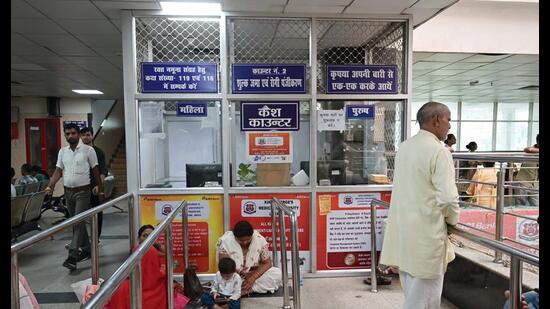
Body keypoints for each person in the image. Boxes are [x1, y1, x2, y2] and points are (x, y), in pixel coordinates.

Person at [380, 102, 459, 309]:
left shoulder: (405, 147)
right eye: (448, 119)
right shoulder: (439, 151)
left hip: (405, 234)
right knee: (425, 301)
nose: (450, 126)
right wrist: (453, 221)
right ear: (436, 120)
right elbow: (449, 199)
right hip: (427, 236)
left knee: (412, 295)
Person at [45, 123, 104, 271]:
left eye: (73, 133)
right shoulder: (62, 152)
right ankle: (87, 249)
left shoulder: (88, 150)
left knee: (77, 222)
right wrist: (50, 186)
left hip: (83, 192)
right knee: (76, 221)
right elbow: (58, 170)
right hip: (68, 192)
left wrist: (100, 189)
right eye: (67, 133)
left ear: (78, 134)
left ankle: (72, 255)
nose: (70, 136)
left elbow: (96, 170)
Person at [106, 225, 167, 308]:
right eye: (145, 235)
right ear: (138, 238)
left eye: (152, 236)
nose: (148, 239)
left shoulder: (161, 254)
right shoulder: (137, 251)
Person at [216, 220, 282, 295]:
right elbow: (224, 266)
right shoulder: (225, 241)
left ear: (252, 235)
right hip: (234, 275)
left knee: (277, 273)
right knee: (224, 280)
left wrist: (253, 277)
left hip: (254, 276)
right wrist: (240, 272)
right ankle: (243, 288)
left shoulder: (259, 239)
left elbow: (267, 263)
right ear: (235, 237)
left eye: (248, 240)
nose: (245, 243)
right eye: (241, 241)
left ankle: (248, 290)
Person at [80, 127, 109, 239]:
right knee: (79, 216)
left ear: (92, 136)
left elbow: (102, 171)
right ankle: (81, 240)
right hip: (81, 188)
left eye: (88, 135)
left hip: (94, 187)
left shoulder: (98, 152)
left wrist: (99, 186)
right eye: (83, 135)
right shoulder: (77, 151)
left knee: (97, 213)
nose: (85, 137)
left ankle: (96, 238)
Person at [514, 134, 539, 206]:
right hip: (523, 183)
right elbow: (528, 149)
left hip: (535, 184)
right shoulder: (530, 150)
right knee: (520, 206)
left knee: (536, 207)